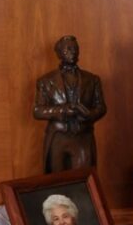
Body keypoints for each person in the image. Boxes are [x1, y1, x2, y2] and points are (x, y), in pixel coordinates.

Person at [34, 36, 107, 173]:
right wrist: (63, 110)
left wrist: (89, 114)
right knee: (56, 181)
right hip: (58, 137)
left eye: (75, 48)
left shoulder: (92, 80)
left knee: (83, 179)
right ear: (59, 53)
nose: (72, 52)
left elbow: (101, 107)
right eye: (68, 49)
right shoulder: (45, 81)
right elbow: (37, 110)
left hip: (83, 137)